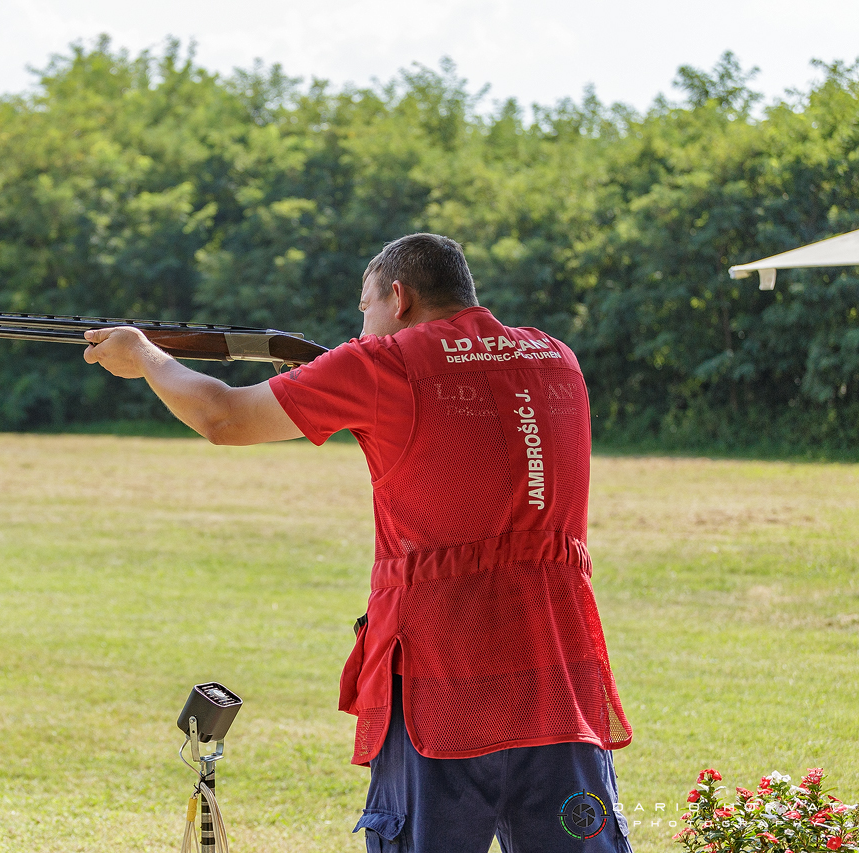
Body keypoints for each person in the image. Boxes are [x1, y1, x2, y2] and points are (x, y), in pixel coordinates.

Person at [82, 233, 633, 852]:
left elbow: (223, 417)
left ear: (398, 297)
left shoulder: (383, 365)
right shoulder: (557, 357)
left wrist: (145, 356)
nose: (362, 328)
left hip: (440, 682)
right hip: (559, 675)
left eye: (364, 308)